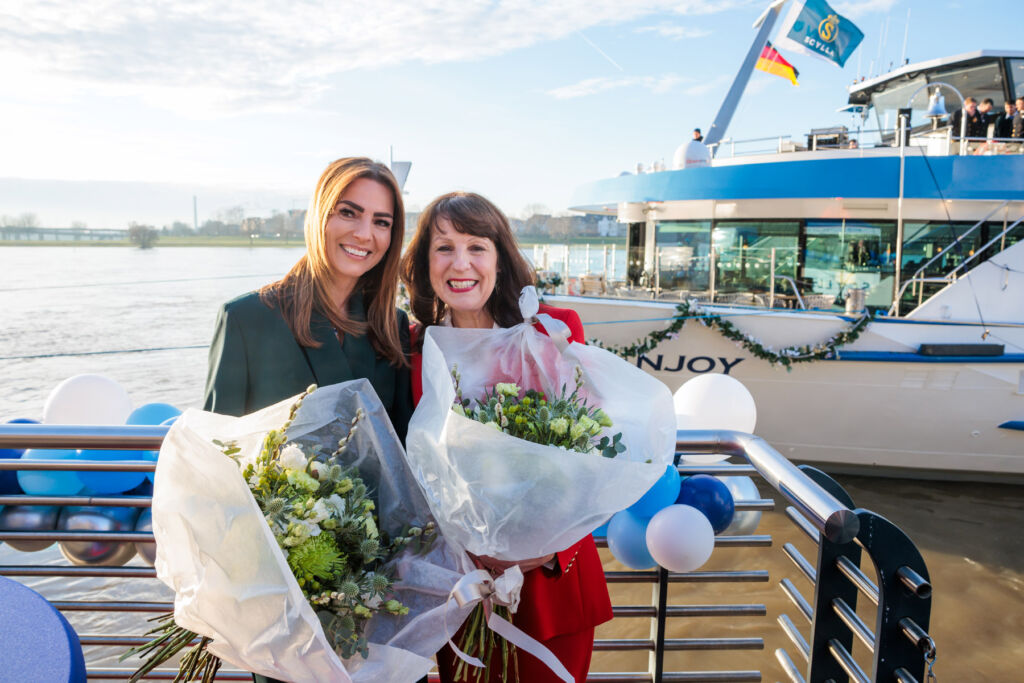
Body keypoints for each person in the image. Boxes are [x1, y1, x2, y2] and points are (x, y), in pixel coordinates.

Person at [400, 191, 613, 683]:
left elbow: (595, 459)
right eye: (444, 248)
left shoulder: (551, 332)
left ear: (500, 256)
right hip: (462, 593)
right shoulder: (413, 351)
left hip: (552, 588)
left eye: (477, 246)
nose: (461, 264)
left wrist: (549, 547)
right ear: (424, 263)